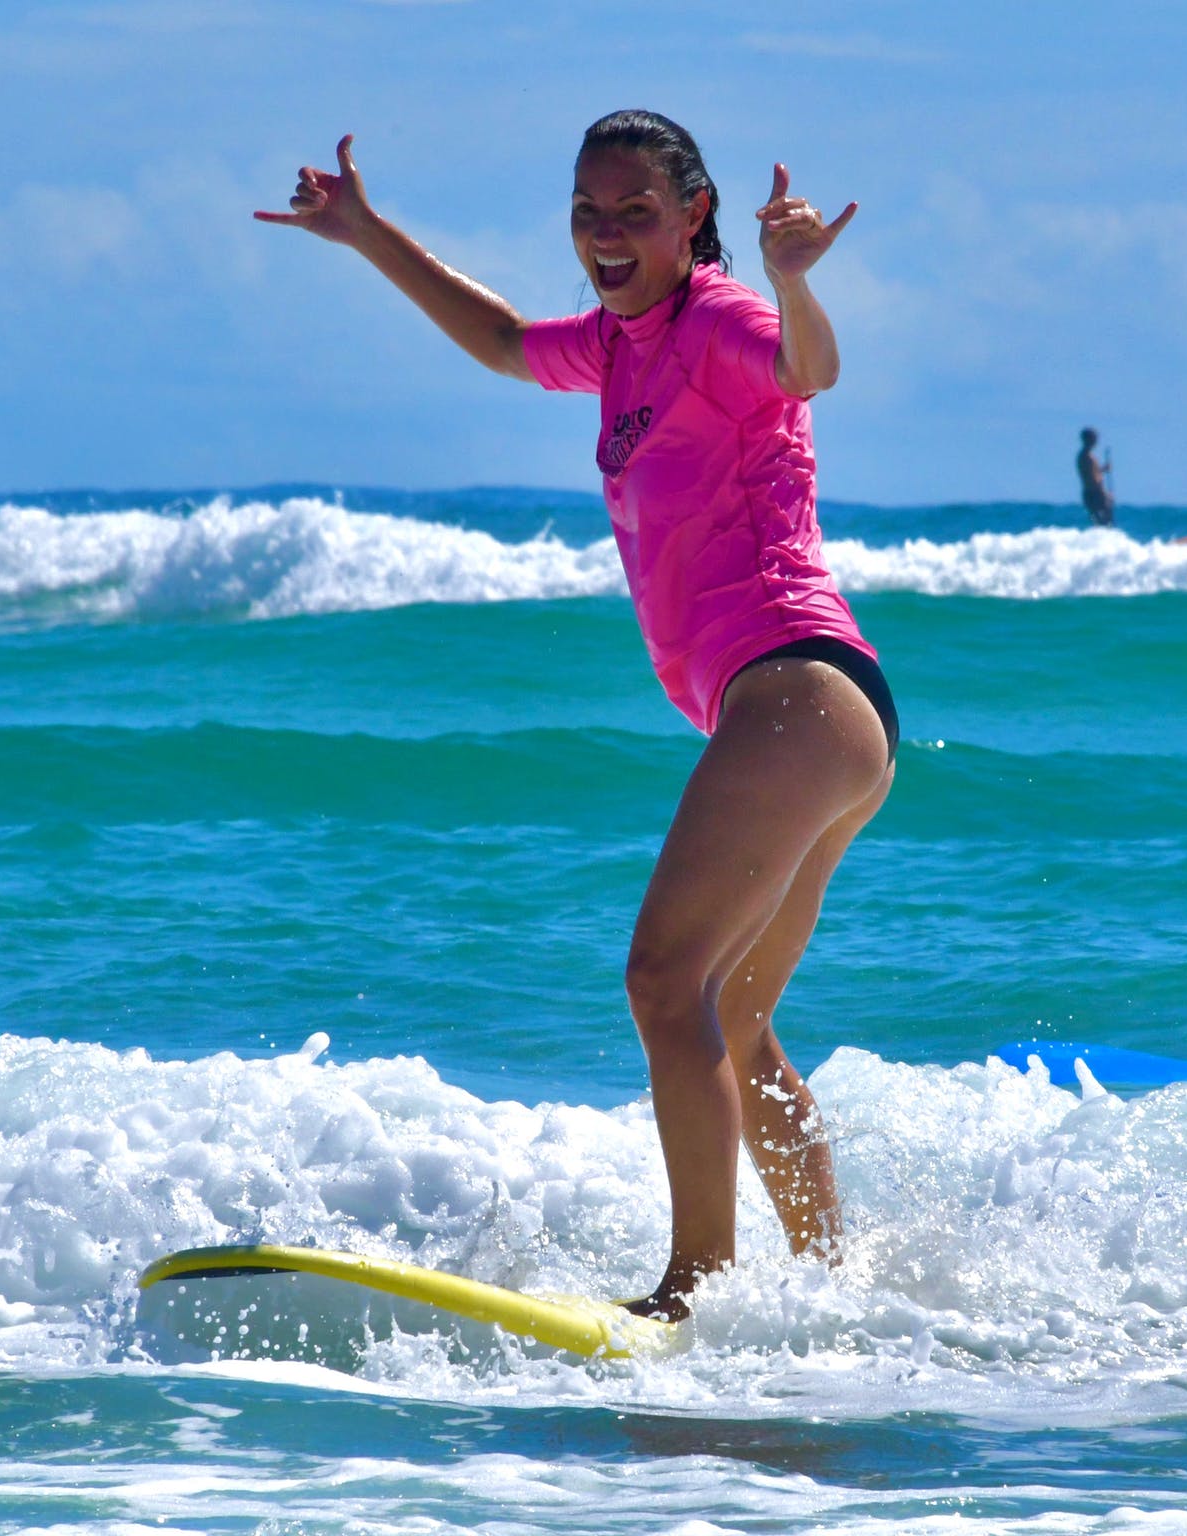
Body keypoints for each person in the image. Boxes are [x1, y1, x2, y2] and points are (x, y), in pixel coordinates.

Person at [256, 111, 896, 1320]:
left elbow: (806, 371)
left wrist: (792, 283)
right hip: (823, 712)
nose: (605, 235)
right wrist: (363, 234)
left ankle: (689, 1293)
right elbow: (501, 339)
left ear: (690, 217)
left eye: (635, 212)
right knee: (737, 1018)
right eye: (587, 212)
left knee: (665, 982)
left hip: (793, 689)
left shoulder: (716, 318)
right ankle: (838, 1295)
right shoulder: (618, 345)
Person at [1077, 428, 1115, 526]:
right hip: (1095, 493)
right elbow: (1093, 479)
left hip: (1089, 493)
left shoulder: (1083, 456)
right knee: (1105, 523)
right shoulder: (1088, 457)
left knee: (1098, 523)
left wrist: (1103, 469)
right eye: (1095, 438)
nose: (1096, 441)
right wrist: (1105, 494)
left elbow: (1093, 473)